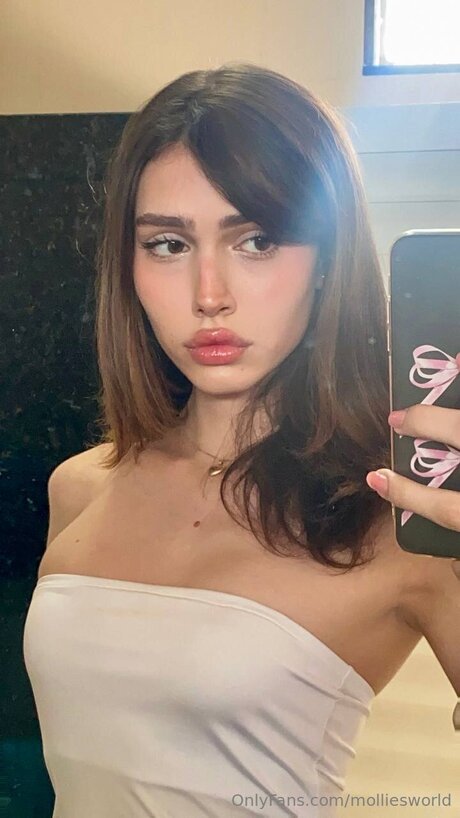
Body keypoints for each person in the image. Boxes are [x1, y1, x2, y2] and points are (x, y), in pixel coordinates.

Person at [23, 63, 460, 818]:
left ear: (327, 260)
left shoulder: (402, 521)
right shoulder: (81, 486)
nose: (209, 294)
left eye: (257, 239)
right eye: (167, 244)